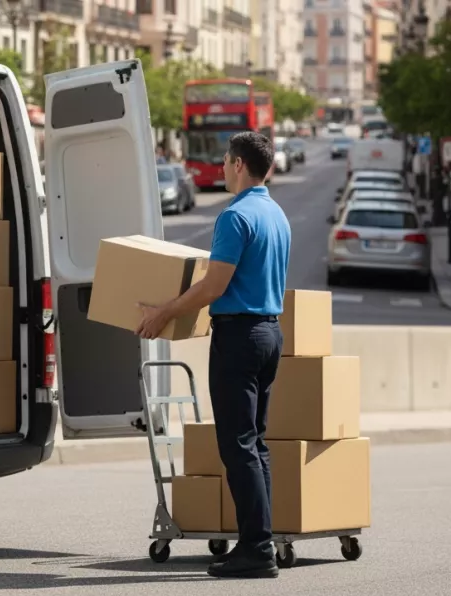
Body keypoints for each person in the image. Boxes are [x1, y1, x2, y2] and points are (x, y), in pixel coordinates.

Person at [135, 132, 291, 579]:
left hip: (239, 337)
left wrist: (162, 313)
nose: (222, 168)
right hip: (269, 333)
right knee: (255, 443)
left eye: (225, 161)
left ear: (240, 164)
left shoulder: (236, 216)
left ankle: (256, 549)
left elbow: (213, 286)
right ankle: (260, 538)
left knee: (238, 444)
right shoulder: (277, 215)